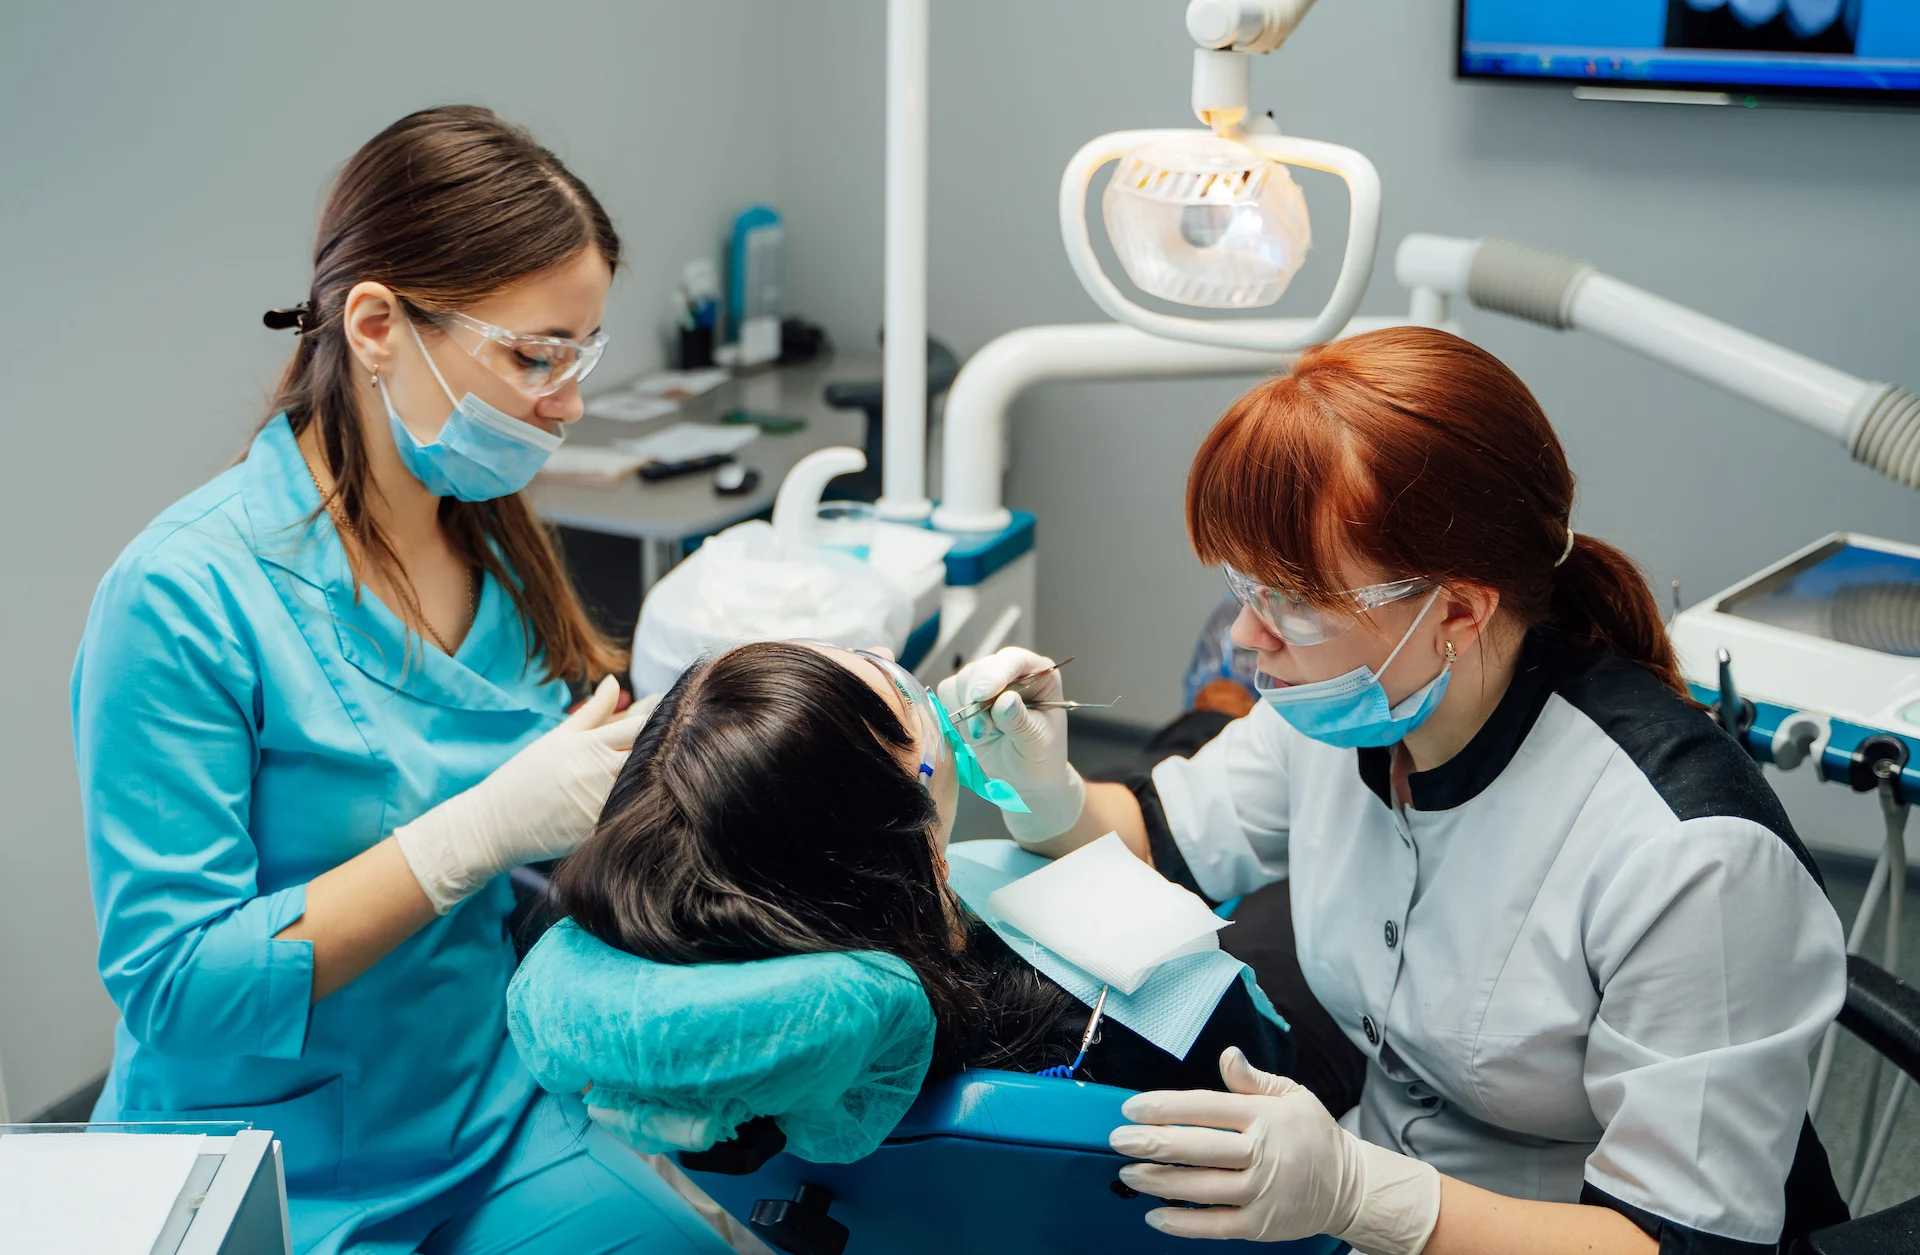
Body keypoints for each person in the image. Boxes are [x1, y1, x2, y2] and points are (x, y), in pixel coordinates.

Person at [939, 327, 1848, 1255]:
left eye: (1293, 600)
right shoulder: (1350, 711)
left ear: (1458, 608)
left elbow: (1683, 1244)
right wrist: (1044, 787)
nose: (1247, 636)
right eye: (1244, 586)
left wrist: (1366, 1195)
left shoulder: (1691, 857)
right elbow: (1158, 838)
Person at [72, 107, 732, 1254]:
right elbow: (176, 988)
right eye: (535, 356)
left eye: (581, 355)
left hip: (483, 1112)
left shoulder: (493, 546)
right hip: (264, 1158)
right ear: (376, 325)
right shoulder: (180, 598)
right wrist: (475, 832)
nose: (568, 403)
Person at [551, 639, 1291, 1092]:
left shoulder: (773, 1036)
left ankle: (1213, 711)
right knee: (1277, 903)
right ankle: (1217, 709)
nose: (889, 656)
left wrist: (1053, 800)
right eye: (893, 692)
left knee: (1171, 756)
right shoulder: (1160, 1012)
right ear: (919, 846)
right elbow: (1265, 1056)